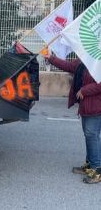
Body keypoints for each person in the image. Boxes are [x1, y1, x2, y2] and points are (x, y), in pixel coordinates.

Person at [43, 52, 101, 184]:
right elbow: (69, 66)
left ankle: (97, 169)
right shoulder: (84, 56)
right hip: (86, 105)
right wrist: (51, 58)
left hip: (96, 105)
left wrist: (85, 90)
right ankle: (90, 164)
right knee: (89, 135)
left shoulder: (98, 60)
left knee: (92, 135)